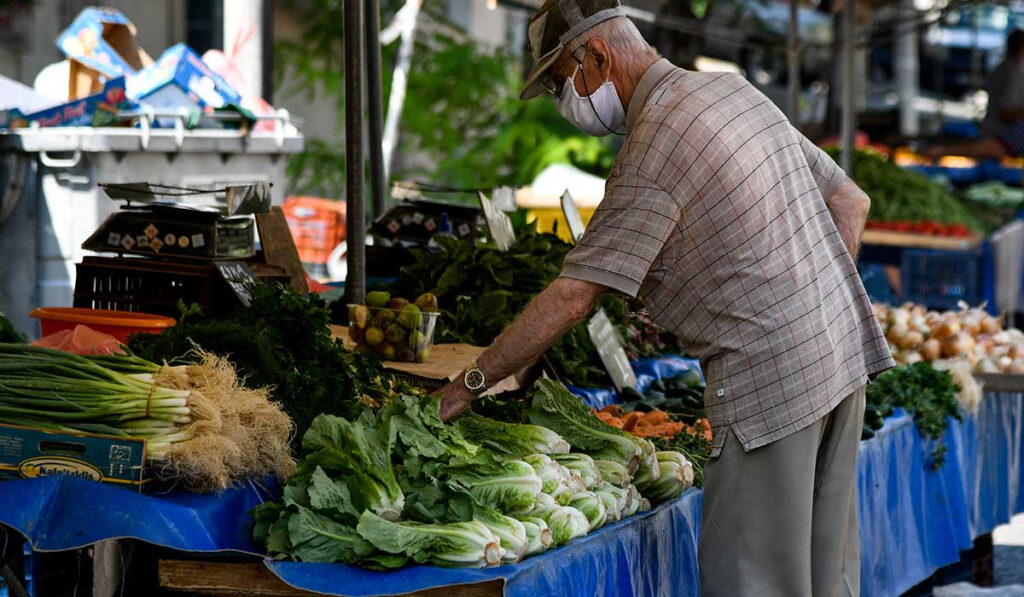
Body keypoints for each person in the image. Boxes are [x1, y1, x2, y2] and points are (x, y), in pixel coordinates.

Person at [436, 1, 894, 595]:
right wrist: (813, 299)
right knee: (825, 580)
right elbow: (850, 200)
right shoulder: (732, 92)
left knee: (754, 582)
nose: (561, 98)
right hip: (842, 360)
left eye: (558, 80)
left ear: (596, 55)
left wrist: (469, 384)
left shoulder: (654, 145)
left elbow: (574, 296)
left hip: (770, 388)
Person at [925, 28, 1024, 160]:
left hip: (997, 136)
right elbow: (1005, 112)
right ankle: (939, 150)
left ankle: (939, 150)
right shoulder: (1013, 72)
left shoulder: (1006, 68)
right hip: (999, 134)